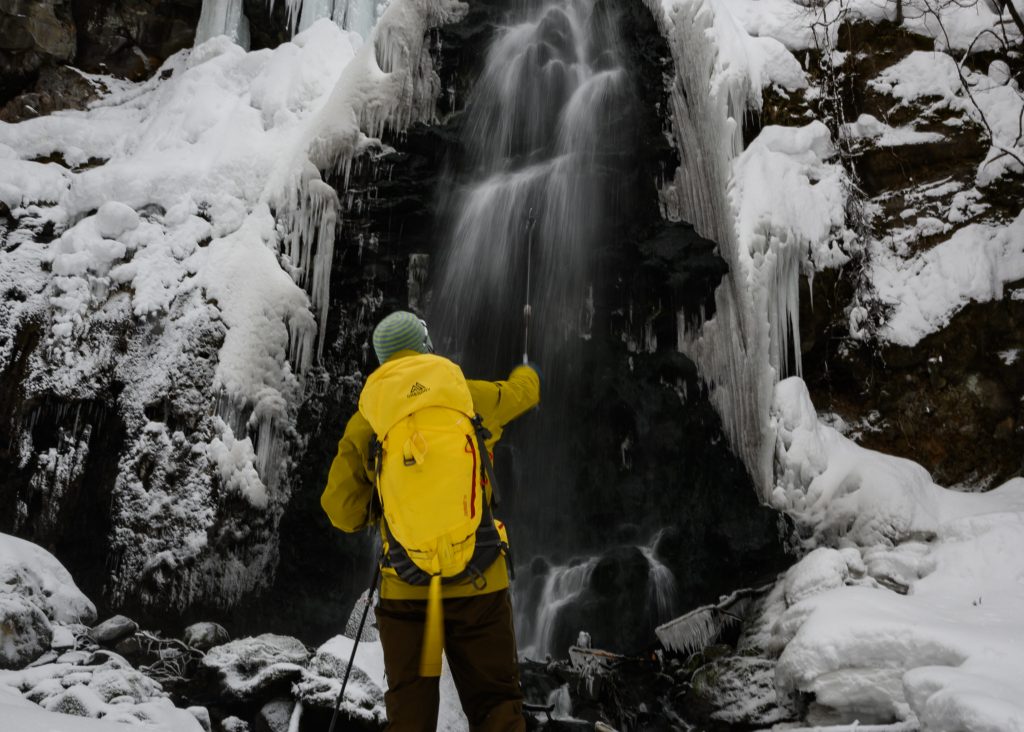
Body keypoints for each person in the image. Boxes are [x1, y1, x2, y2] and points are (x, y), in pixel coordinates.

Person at [322, 310, 540, 732]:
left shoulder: (369, 418)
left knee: (410, 713)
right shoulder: (463, 394)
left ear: (382, 359)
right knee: (496, 702)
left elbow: (341, 510)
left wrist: (381, 505)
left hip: (407, 588)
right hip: (480, 578)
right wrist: (529, 373)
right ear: (426, 345)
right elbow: (521, 394)